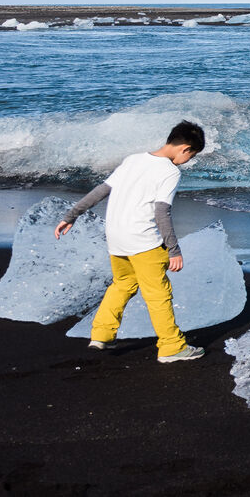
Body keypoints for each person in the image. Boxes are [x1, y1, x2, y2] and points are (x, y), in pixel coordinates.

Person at [55, 121, 207, 363]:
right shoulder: (169, 172)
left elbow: (101, 190)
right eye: (191, 156)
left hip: (116, 238)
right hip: (144, 241)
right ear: (185, 149)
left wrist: (71, 215)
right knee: (158, 295)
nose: (187, 161)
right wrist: (174, 249)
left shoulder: (133, 159)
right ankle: (171, 347)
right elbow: (161, 213)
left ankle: (101, 334)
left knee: (122, 284)